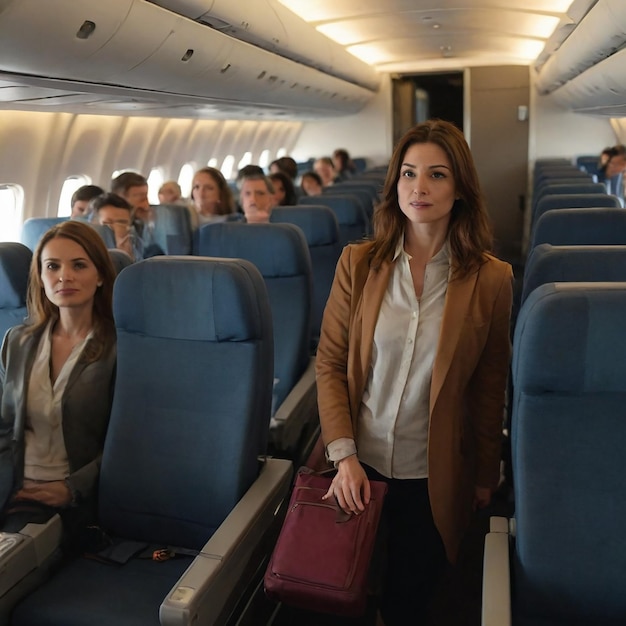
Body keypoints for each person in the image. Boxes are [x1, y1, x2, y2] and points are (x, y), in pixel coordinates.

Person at [316, 119, 513, 626]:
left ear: (461, 189)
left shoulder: (491, 278)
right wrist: (343, 456)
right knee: (345, 590)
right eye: (408, 173)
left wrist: (485, 475)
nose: (419, 187)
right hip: (358, 466)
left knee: (411, 597)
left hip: (436, 472)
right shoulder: (357, 264)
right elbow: (331, 363)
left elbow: (491, 387)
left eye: (437, 175)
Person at [0, 221, 117, 547]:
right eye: (52, 266)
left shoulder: (118, 348)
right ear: (41, 277)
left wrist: (72, 488)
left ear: (100, 275)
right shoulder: (18, 341)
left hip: (69, 499)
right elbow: (4, 427)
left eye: (78, 265)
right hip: (13, 488)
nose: (64, 276)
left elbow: (127, 444)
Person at [111, 172, 163, 257]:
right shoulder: (111, 230)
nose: (146, 206)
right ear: (120, 199)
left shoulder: (140, 225)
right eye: (141, 199)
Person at [90, 192, 143, 261]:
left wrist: (127, 257)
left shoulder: (136, 244)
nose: (115, 227)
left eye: (122, 222)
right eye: (108, 223)